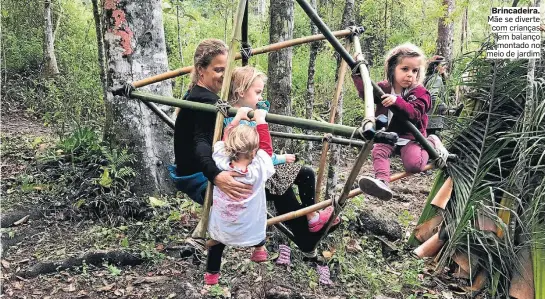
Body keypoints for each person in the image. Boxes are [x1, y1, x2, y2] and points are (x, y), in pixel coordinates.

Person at [170, 39, 338, 267]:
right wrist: (216, 176)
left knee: (294, 176)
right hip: (203, 177)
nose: (223, 75)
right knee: (281, 184)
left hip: (214, 166)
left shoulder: (202, 94)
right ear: (201, 69)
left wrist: (245, 57)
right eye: (218, 69)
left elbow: (239, 92)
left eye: (226, 69)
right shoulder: (206, 101)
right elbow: (201, 144)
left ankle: (308, 232)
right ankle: (306, 237)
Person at [224, 66, 340, 233]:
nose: (261, 97)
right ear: (241, 92)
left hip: (260, 168)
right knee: (296, 181)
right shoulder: (237, 123)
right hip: (254, 174)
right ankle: (310, 224)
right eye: (258, 93)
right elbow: (258, 155)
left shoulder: (244, 117)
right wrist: (281, 158)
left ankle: (311, 219)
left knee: (304, 174)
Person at [352, 43, 449, 201]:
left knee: (414, 166)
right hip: (389, 135)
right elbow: (366, 93)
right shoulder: (384, 88)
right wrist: (358, 71)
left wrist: (397, 101)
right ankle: (382, 182)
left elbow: (415, 113)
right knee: (379, 151)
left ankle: (431, 141)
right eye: (405, 69)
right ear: (392, 68)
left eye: (415, 70)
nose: (410, 74)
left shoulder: (420, 92)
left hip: (412, 138)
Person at [205, 107, 275, 285]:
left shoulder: (221, 164)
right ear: (254, 151)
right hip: (249, 227)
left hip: (224, 226)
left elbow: (224, 141)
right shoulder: (257, 170)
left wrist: (236, 117)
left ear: (231, 148)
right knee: (258, 225)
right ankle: (259, 249)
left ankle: (211, 276)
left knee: (216, 242)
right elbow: (267, 150)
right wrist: (261, 121)